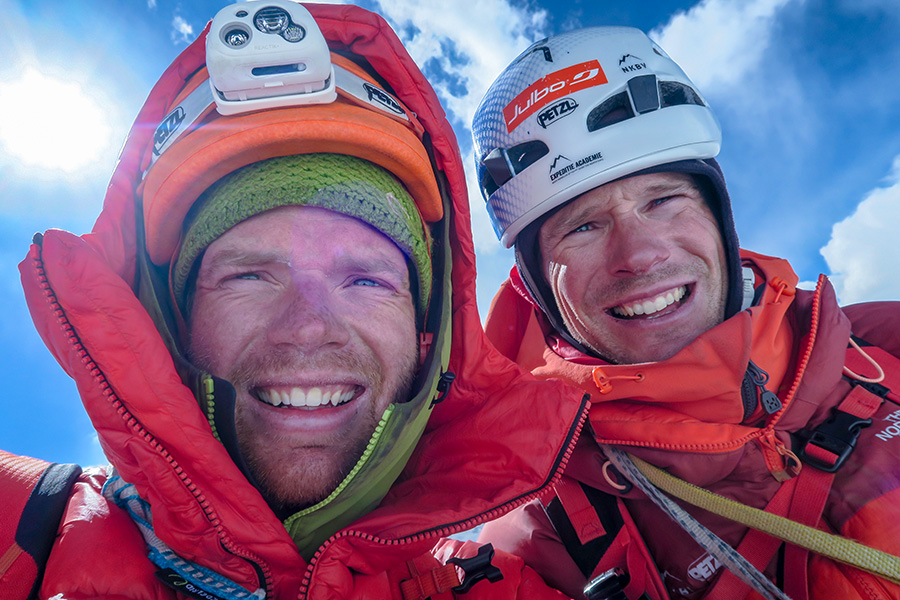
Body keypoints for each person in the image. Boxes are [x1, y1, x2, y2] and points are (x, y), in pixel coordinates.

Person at [0, 3, 587, 599]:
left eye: (366, 281)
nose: (308, 328)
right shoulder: (19, 530)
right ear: (171, 324)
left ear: (426, 338)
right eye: (250, 277)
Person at [471, 26, 900, 600]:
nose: (639, 255)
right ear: (536, 284)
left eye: (663, 200)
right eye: (584, 226)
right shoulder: (539, 531)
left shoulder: (884, 346)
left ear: (719, 217)